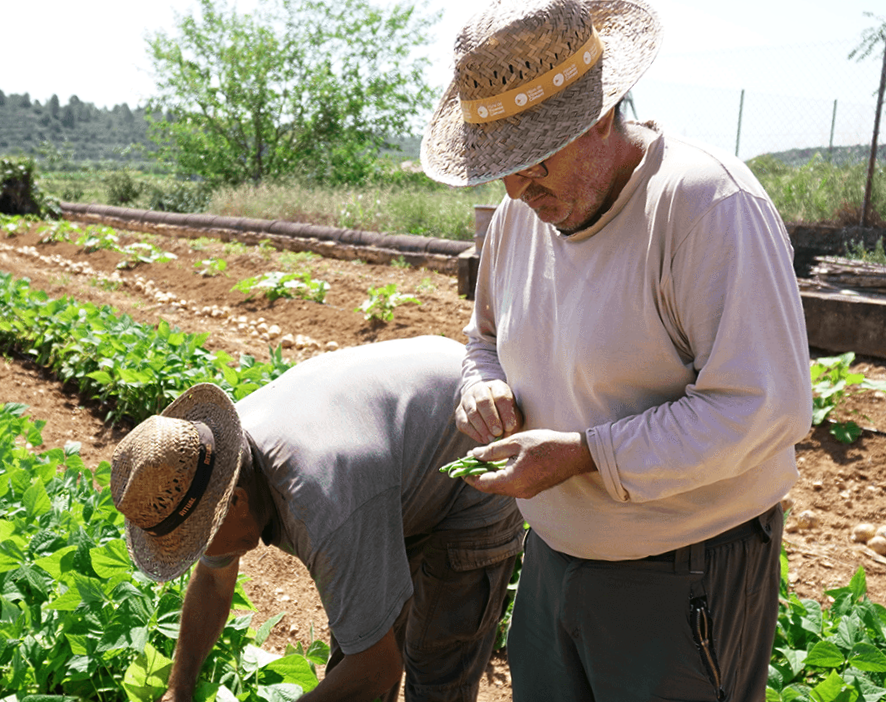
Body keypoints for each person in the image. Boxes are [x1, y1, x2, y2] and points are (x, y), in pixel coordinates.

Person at [420, 0, 812, 700]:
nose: (518, 187)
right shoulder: (517, 220)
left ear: (599, 116)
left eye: (535, 159)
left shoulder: (703, 204)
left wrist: (585, 455)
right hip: (550, 559)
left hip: (684, 569)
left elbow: (763, 407)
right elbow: (483, 340)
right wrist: (482, 386)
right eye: (501, 166)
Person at [110, 336, 524, 702]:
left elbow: (377, 669)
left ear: (234, 503)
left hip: (473, 450)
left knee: (436, 670)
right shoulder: (218, 466)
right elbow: (214, 581)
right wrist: (178, 687)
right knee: (358, 649)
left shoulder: (321, 505)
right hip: (395, 465)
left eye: (198, 542)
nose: (199, 555)